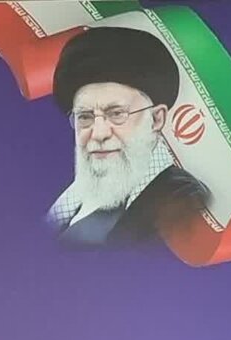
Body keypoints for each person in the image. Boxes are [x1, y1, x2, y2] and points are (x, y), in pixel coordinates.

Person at [46, 27, 208, 246]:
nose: (99, 134)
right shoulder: (68, 203)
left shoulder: (180, 203)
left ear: (156, 119)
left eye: (116, 114)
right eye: (85, 117)